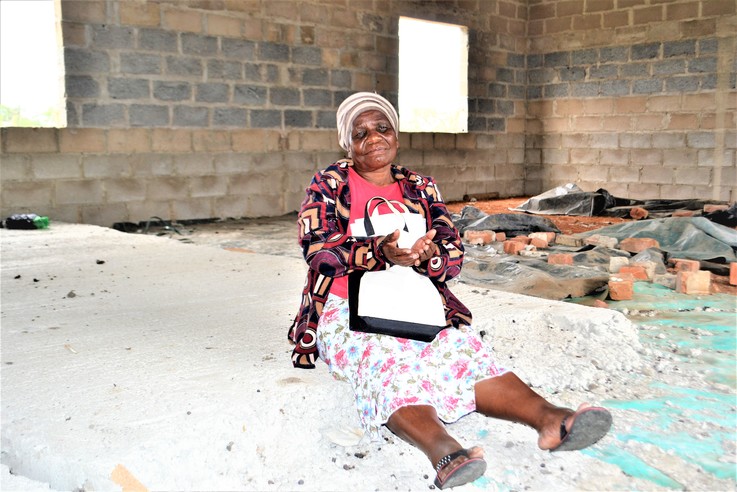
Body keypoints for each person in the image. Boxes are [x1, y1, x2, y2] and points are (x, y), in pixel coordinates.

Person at [288, 92, 612, 489]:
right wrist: (379, 252)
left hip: (413, 301)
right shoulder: (330, 183)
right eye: (361, 133)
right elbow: (317, 249)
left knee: (461, 350)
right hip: (346, 307)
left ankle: (551, 420)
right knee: (384, 358)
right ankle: (444, 452)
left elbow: (452, 253)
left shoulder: (420, 186)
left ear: (396, 135)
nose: (373, 138)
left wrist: (427, 257)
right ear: (347, 144)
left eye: (382, 128)